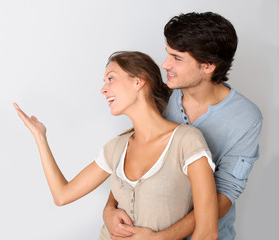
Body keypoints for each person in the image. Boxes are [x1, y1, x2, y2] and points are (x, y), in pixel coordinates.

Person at [13, 51, 219, 240]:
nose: (103, 89)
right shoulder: (115, 148)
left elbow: (207, 232)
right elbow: (62, 195)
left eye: (111, 78)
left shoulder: (187, 141)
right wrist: (40, 137)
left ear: (139, 81)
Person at [104, 12, 263, 240]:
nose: (165, 64)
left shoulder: (246, 118)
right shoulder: (161, 96)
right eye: (168, 54)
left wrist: (163, 237)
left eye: (177, 58)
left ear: (208, 66)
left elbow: (225, 194)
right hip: (144, 230)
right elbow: (132, 155)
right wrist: (110, 208)